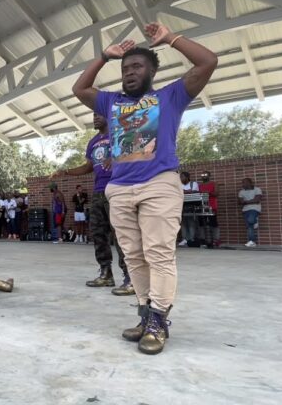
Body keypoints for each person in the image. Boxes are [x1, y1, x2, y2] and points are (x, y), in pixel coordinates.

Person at [73, 21, 217, 354]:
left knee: (159, 254)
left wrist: (171, 39)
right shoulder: (111, 103)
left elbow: (208, 62)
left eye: (137, 66)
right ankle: (145, 314)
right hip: (120, 188)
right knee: (134, 257)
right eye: (125, 68)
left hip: (159, 184)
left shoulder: (171, 96)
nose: (129, 72)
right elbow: (80, 90)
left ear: (151, 71)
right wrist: (103, 57)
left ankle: (158, 321)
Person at [54, 113, 131, 296]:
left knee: (121, 234)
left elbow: (134, 153)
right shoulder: (93, 142)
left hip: (118, 188)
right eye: (93, 116)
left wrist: (117, 157)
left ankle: (131, 277)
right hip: (98, 191)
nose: (95, 118)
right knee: (97, 233)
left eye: (99, 115)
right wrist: (65, 171)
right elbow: (88, 166)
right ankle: (106, 273)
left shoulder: (120, 134)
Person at [197, 171, 221, 247]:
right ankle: (203, 240)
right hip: (201, 206)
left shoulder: (214, 183)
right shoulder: (199, 185)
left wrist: (208, 192)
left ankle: (216, 240)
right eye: (202, 175)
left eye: (205, 175)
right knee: (201, 223)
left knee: (213, 223)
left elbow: (217, 194)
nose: (203, 176)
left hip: (212, 206)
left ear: (209, 176)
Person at [239, 178, 262, 247]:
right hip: (245, 210)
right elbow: (240, 202)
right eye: (242, 183)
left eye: (245, 183)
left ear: (250, 183)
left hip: (255, 209)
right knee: (249, 226)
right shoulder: (241, 192)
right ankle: (252, 242)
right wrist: (251, 200)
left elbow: (257, 200)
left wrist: (246, 201)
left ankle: (254, 220)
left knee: (250, 221)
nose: (243, 184)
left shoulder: (257, 189)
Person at [179, 171, 200, 247]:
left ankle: (191, 239)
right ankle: (184, 239)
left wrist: (184, 191)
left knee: (191, 222)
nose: (181, 178)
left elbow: (193, 192)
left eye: (182, 177)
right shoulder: (179, 185)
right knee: (183, 223)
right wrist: (186, 191)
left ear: (187, 177)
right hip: (182, 206)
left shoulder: (193, 184)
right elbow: (178, 192)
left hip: (191, 206)